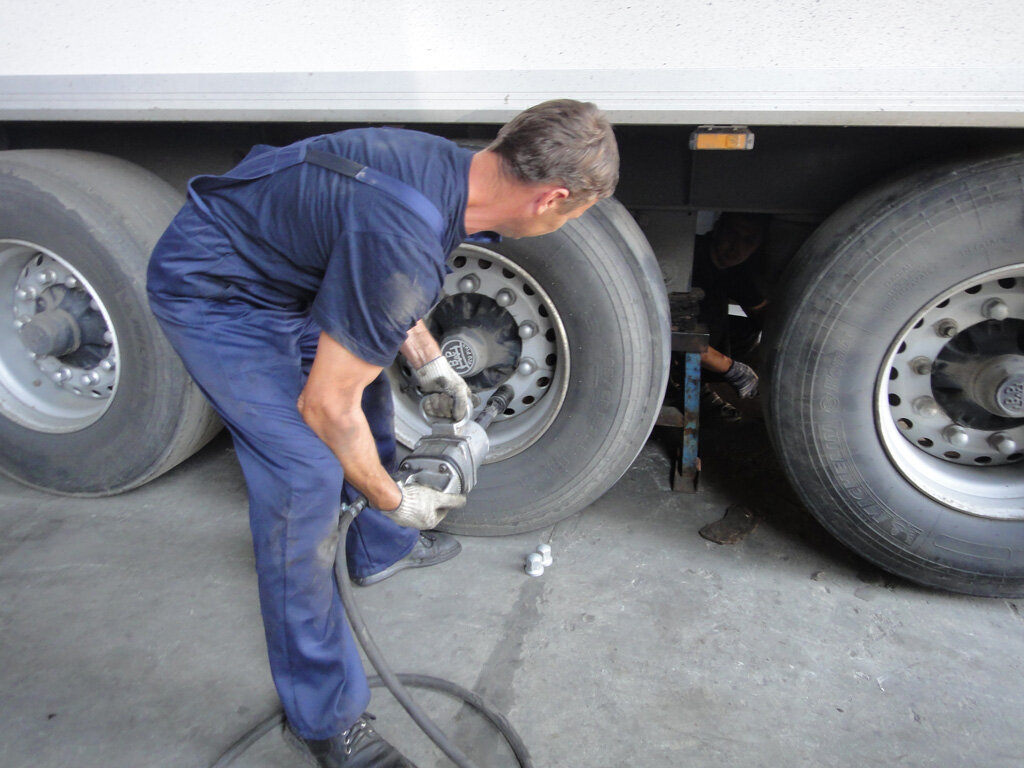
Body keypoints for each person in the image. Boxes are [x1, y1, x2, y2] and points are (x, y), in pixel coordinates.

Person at [147, 100, 618, 768]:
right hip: (216, 294)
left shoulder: (445, 170)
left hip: (283, 276)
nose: (564, 224)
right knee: (304, 475)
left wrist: (427, 362)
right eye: (573, 216)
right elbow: (324, 404)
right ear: (552, 199)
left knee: (368, 393)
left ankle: (376, 547)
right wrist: (397, 498)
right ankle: (324, 718)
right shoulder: (409, 234)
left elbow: (376, 273)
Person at [692, 211, 769, 401]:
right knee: (711, 312)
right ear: (717, 228)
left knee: (747, 329)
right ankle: (682, 386)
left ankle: (701, 382)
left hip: (697, 342)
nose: (737, 247)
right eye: (732, 235)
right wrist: (731, 369)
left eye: (748, 241)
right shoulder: (691, 257)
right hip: (672, 344)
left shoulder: (737, 271)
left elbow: (763, 314)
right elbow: (673, 333)